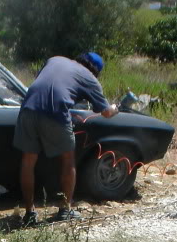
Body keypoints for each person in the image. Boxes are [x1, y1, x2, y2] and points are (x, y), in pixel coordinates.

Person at [13, 52, 118, 225]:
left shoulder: (54, 59)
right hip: (55, 113)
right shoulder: (90, 78)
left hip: (28, 108)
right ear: (96, 71)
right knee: (68, 160)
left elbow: (49, 85)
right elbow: (106, 112)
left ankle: (29, 213)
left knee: (28, 161)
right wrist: (115, 108)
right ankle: (65, 210)